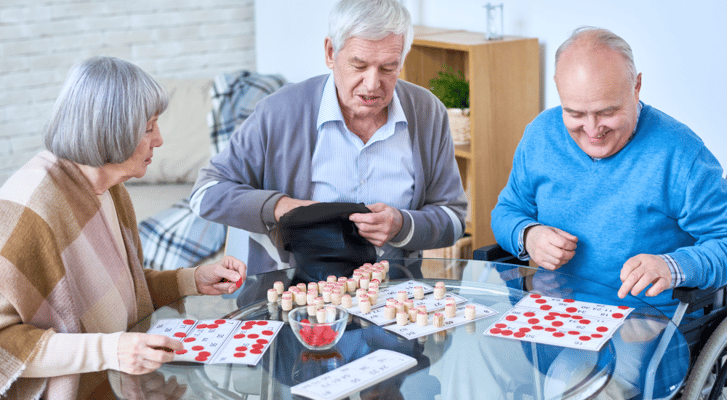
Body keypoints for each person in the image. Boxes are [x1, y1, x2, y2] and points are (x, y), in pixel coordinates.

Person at [491, 27, 727, 398]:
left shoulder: (681, 154)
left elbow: (724, 241)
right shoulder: (540, 135)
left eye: (607, 112)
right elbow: (507, 211)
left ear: (636, 88)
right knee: (471, 363)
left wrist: (672, 265)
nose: (592, 130)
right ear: (558, 89)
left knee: (575, 388)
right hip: (555, 315)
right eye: (575, 113)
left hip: (644, 325)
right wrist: (528, 235)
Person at [0, 56, 248, 400]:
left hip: (122, 381)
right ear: (111, 130)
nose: (159, 140)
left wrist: (191, 280)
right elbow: (4, 349)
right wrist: (112, 350)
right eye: (149, 128)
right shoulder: (28, 213)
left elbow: (121, 293)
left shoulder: (109, 187)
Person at [191, 0, 467, 274]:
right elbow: (205, 193)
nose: (372, 84)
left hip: (393, 296)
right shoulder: (280, 111)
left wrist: (402, 224)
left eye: (387, 68)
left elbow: (454, 219)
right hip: (294, 292)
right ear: (330, 52)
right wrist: (281, 207)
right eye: (359, 66)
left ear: (402, 60)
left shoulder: (427, 112)